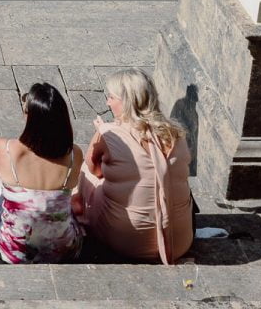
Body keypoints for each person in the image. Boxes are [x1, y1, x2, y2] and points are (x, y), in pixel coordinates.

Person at [78, 69, 194, 264]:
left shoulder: (108, 133)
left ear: (126, 102)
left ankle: (79, 218)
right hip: (180, 242)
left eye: (112, 97)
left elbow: (94, 170)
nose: (108, 102)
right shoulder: (178, 135)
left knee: (84, 171)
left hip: (126, 241)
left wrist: (103, 133)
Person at [0, 81, 84, 264]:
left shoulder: (3, 148)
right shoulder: (75, 154)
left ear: (29, 117)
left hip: (12, 251)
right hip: (64, 250)